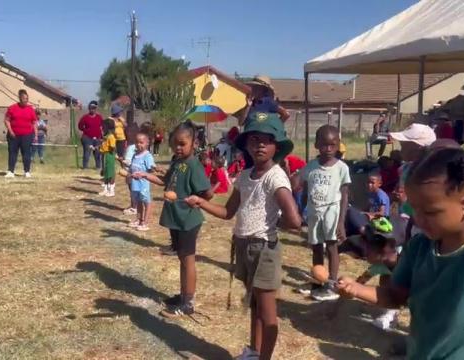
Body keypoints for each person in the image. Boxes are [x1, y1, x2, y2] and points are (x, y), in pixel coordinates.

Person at [185, 112, 301, 360]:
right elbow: (228, 211)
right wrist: (200, 203)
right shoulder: (246, 176)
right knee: (255, 305)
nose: (259, 145)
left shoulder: (275, 176)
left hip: (264, 249)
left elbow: (294, 220)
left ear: (276, 145)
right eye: (254, 139)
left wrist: (271, 222)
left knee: (268, 313)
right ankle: (253, 351)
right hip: (244, 246)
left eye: (266, 140)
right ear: (246, 144)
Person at [338, 148, 464, 359]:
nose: (418, 219)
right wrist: (356, 288)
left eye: (430, 212)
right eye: (414, 209)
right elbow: (394, 296)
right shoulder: (419, 248)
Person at [133, 120, 213, 317]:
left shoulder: (193, 165)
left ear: (194, 143)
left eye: (182, 143)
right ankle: (184, 295)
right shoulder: (177, 162)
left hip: (188, 220)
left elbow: (207, 193)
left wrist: (198, 200)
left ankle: (188, 303)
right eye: (175, 143)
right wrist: (144, 175)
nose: (178, 147)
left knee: (188, 260)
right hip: (176, 218)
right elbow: (164, 181)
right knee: (181, 258)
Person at [301, 125, 351, 301]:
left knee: (331, 246)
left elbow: (345, 195)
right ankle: (318, 281)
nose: (328, 149)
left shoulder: (342, 168)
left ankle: (330, 283)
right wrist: (301, 212)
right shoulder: (311, 167)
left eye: (332, 145)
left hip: (332, 210)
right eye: (324, 145)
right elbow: (305, 191)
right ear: (316, 145)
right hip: (315, 211)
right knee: (316, 246)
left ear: (338, 145)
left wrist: (341, 222)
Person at [353, 218, 400, 330]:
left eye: (368, 249)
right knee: (385, 278)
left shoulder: (408, 265)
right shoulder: (380, 265)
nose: (365, 254)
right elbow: (362, 280)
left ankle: (391, 315)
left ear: (384, 249)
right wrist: (349, 287)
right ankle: (390, 311)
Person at [343, 173, 391, 257]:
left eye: (372, 183)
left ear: (379, 184)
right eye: (368, 182)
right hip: (371, 216)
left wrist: (366, 214)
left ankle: (366, 236)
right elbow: (369, 208)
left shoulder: (381, 195)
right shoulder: (371, 194)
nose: (369, 185)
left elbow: (382, 213)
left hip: (381, 219)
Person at [4, 89, 38, 178]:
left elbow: (34, 122)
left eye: (27, 98)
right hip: (13, 135)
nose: (26, 100)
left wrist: (36, 135)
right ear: (20, 98)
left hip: (27, 135)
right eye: (24, 98)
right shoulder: (12, 108)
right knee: (12, 153)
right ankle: (11, 171)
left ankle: (27, 171)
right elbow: (6, 120)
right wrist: (10, 131)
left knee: (26, 153)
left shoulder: (30, 109)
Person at [127, 132, 156, 231]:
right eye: (137, 142)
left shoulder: (147, 156)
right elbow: (132, 167)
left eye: (141, 142)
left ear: (147, 143)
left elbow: (151, 169)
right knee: (138, 202)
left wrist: (153, 168)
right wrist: (129, 174)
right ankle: (139, 219)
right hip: (135, 184)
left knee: (146, 202)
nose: (138, 144)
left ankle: (145, 222)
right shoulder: (135, 155)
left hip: (143, 184)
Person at [78, 101, 104, 170]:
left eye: (94, 108)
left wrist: (102, 137)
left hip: (97, 138)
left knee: (97, 152)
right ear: (89, 109)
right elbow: (80, 126)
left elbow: (102, 127)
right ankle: (85, 167)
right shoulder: (85, 117)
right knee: (87, 152)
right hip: (87, 138)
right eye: (91, 108)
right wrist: (85, 130)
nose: (92, 110)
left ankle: (98, 167)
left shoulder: (99, 117)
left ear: (96, 109)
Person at [98, 119, 117, 197]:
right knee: (106, 173)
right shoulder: (105, 136)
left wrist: (108, 151)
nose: (102, 128)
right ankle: (105, 189)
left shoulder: (111, 137)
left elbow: (112, 147)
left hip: (109, 155)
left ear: (108, 127)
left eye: (103, 126)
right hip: (105, 155)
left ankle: (111, 190)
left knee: (111, 173)